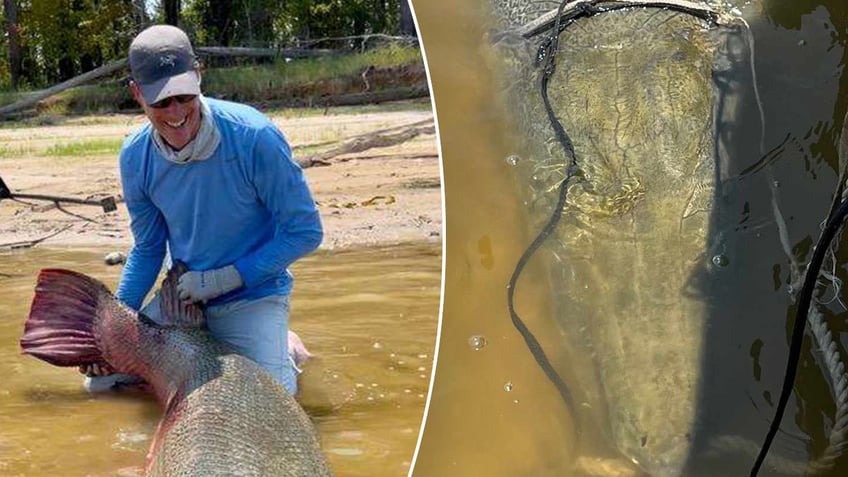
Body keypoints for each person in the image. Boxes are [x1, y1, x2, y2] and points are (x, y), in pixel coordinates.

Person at [82, 24, 322, 396]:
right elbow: (148, 248)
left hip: (253, 294)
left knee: (275, 398)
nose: (176, 112)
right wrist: (117, 326)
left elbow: (305, 232)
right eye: (160, 102)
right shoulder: (135, 156)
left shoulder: (254, 137)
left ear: (198, 76)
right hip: (184, 298)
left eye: (183, 96)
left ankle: (283, 347)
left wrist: (226, 279)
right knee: (100, 385)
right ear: (137, 94)